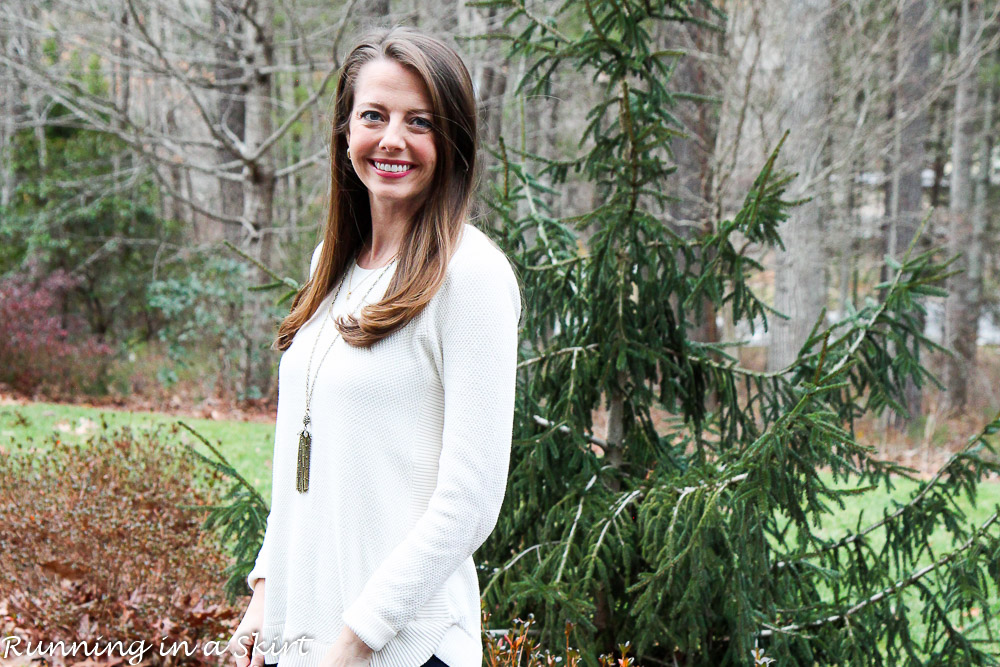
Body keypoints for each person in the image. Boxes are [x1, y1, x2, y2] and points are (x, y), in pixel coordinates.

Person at [225, 24, 522, 667]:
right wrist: (264, 595)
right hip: (301, 636)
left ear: (452, 141)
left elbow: (471, 500)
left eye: (420, 121)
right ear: (345, 130)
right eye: (374, 116)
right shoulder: (329, 263)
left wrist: (361, 637)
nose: (392, 140)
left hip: (400, 648)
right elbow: (302, 462)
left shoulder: (470, 275)